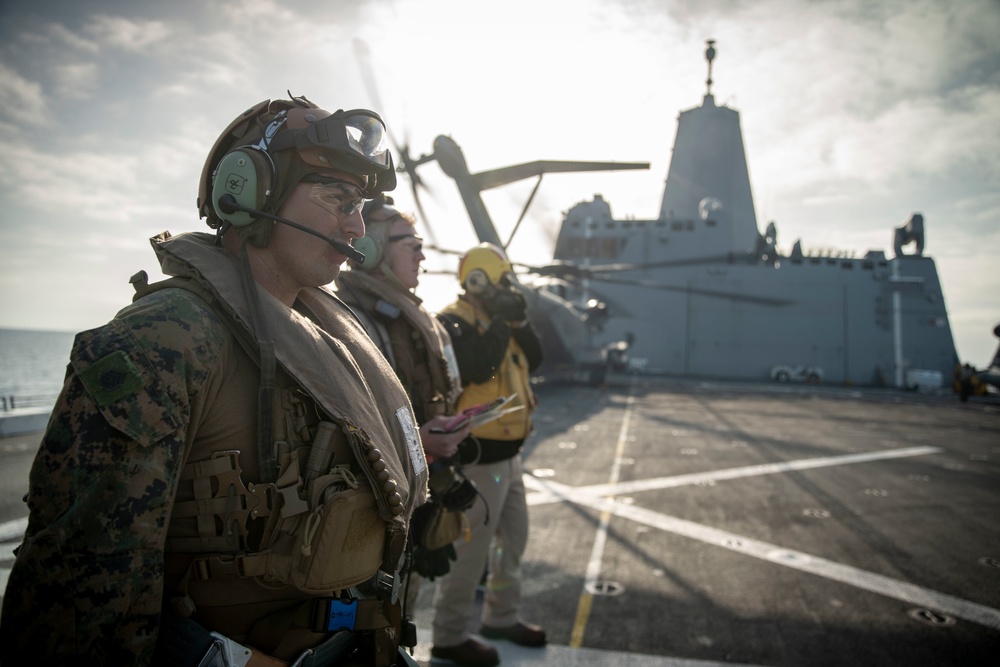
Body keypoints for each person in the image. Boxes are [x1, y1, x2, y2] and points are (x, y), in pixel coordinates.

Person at [0, 95, 427, 667]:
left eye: (360, 205)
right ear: (250, 190)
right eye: (337, 198)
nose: (356, 226)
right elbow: (78, 596)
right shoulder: (166, 339)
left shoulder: (329, 331)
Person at [334, 195, 476, 607]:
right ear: (371, 248)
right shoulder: (348, 321)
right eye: (408, 242)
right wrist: (419, 439)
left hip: (420, 491)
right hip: (374, 509)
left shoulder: (420, 321)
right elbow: (347, 428)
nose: (420, 252)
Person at [429, 243, 546, 667]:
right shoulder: (453, 322)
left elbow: (535, 356)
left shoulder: (502, 323)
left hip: (510, 456)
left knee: (513, 540)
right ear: (478, 281)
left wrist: (517, 318)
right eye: (500, 283)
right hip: (479, 457)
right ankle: (449, 635)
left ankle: (501, 617)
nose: (505, 290)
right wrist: (499, 320)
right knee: (471, 549)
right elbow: (480, 368)